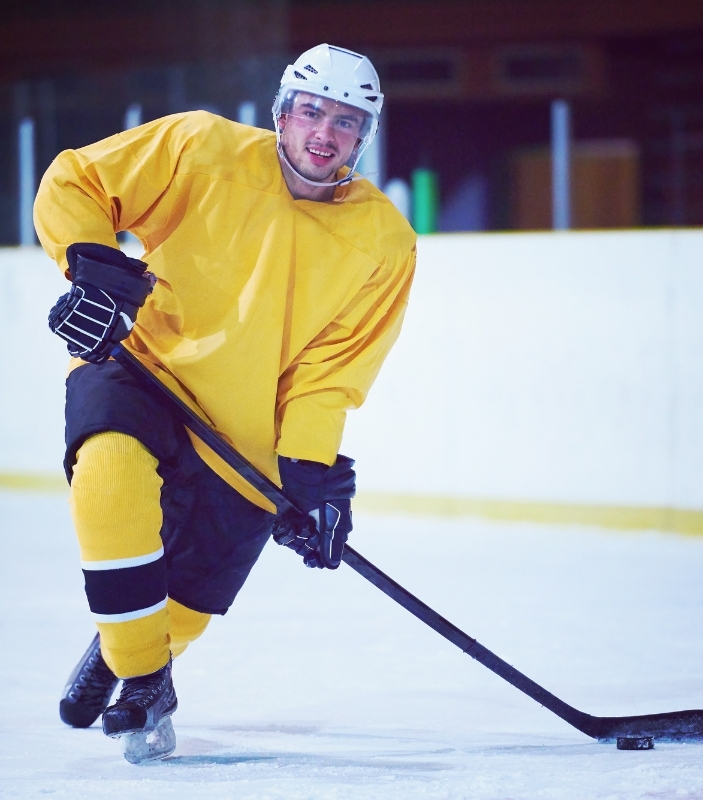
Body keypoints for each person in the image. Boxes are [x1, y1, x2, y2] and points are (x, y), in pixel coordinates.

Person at [33, 44, 416, 763]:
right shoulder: (200, 147)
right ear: (280, 113)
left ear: (363, 137)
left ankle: (126, 649)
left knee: (192, 601)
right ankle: (145, 677)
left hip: (246, 436)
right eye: (310, 111)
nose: (323, 133)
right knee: (107, 479)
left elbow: (330, 373)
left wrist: (307, 468)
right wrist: (91, 264)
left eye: (345, 120)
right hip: (142, 370)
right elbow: (77, 179)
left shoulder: (385, 241)